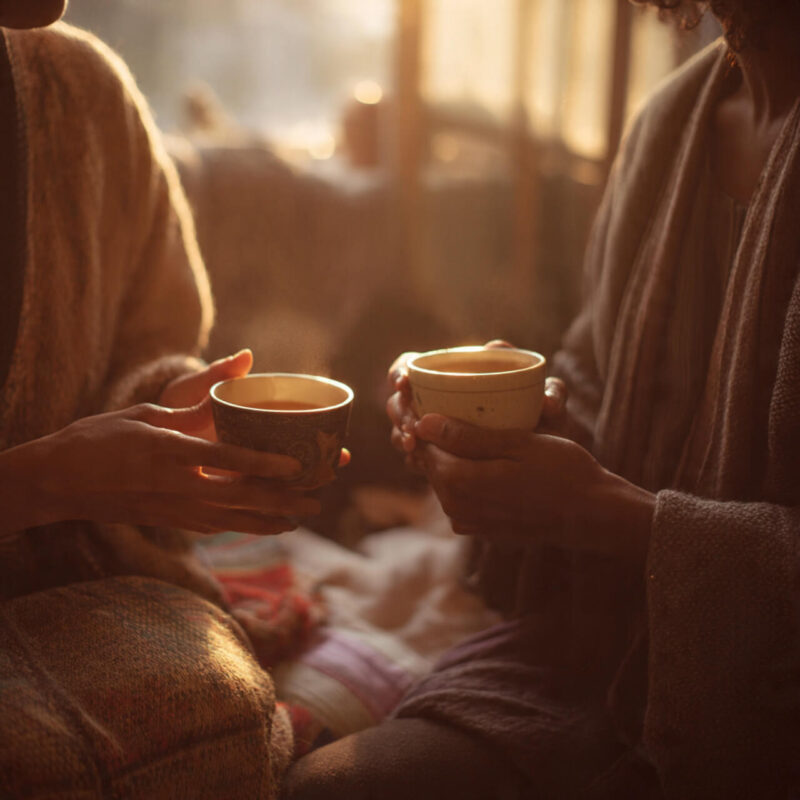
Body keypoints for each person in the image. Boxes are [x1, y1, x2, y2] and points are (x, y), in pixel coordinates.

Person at [284, 1, 800, 798]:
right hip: (604, 653)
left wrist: (614, 518)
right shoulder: (673, 122)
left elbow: (617, 504)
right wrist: (529, 424)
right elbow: (598, 382)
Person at [0, 3, 331, 796]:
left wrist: (171, 412)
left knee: (221, 703)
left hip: (71, 585)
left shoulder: (85, 94)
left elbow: (149, 344)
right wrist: (39, 484)